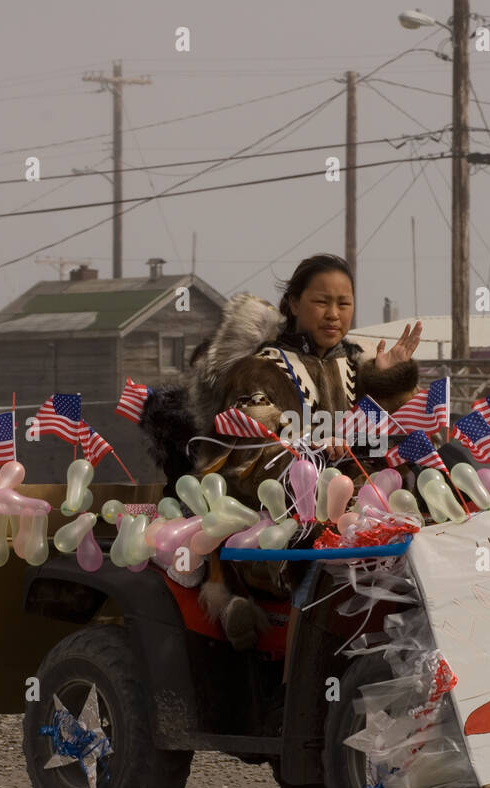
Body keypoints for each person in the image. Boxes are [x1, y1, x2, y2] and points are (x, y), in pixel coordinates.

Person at [144, 253, 423, 647]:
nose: (333, 315)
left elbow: (384, 433)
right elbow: (250, 448)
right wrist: (317, 454)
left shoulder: (356, 366)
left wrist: (386, 380)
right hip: (277, 513)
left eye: (344, 304)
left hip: (361, 507)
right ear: (293, 304)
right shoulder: (257, 370)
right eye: (321, 302)